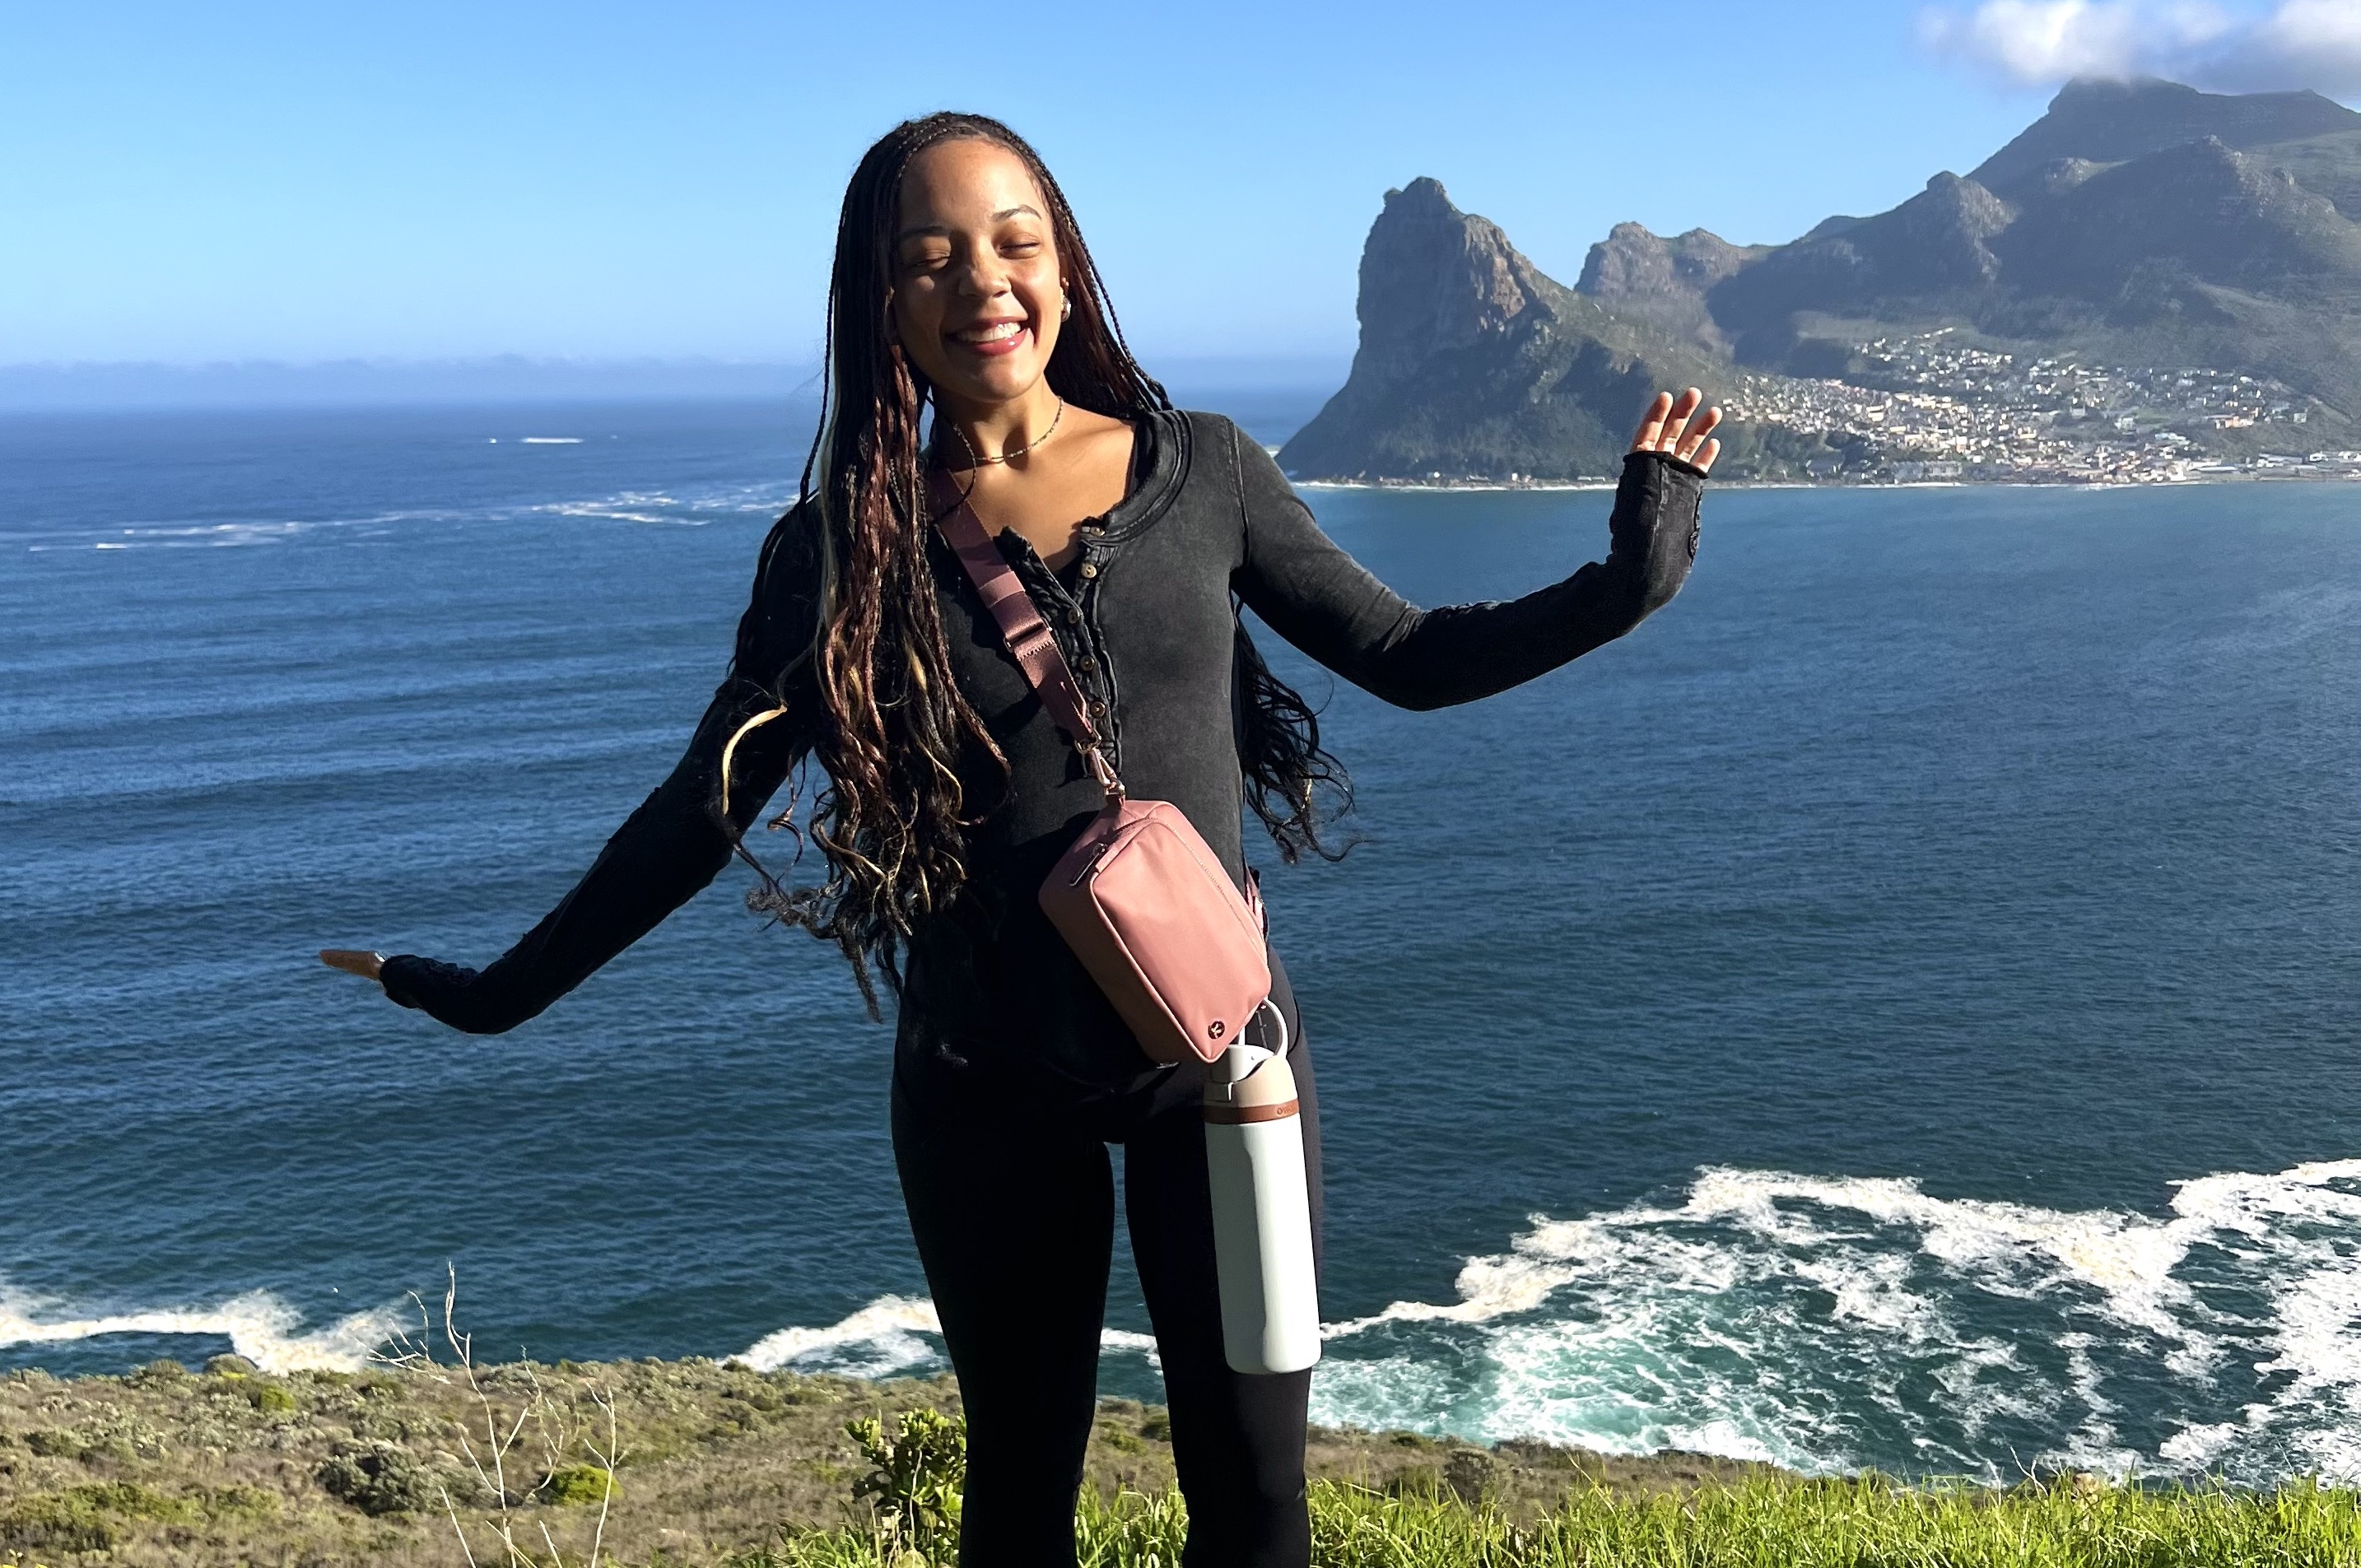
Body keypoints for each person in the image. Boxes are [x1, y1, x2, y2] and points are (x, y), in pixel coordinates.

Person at [323, 110, 1718, 1568]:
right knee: (1021, 1497)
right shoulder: (837, 554)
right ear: (880, 301)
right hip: (982, 1079)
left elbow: (1412, 656)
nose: (982, 281)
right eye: (931, 257)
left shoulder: (1205, 470)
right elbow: (701, 810)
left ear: (1064, 266)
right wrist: (497, 990)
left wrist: (1626, 580)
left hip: (1219, 1064)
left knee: (1257, 1500)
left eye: (1014, 242)